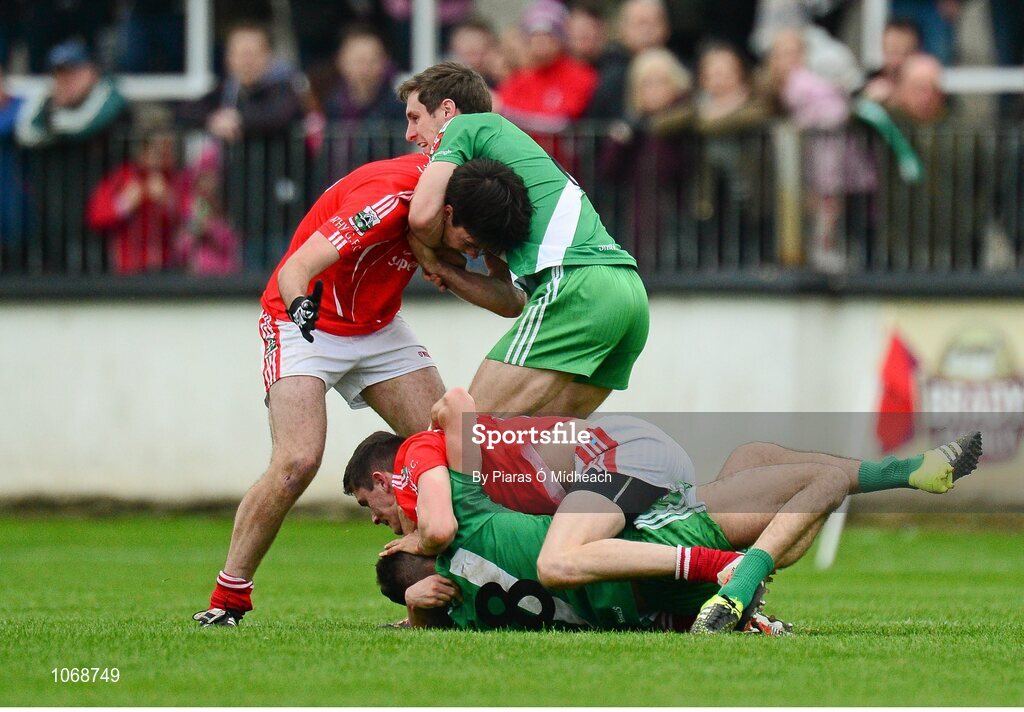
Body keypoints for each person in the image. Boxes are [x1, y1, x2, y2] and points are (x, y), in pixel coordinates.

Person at [193, 156, 533, 627]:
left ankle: (448, 605)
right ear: (448, 214)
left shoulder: (482, 201)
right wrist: (300, 306)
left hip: (378, 327)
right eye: (469, 245)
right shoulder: (388, 200)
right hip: (303, 321)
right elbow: (297, 268)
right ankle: (226, 600)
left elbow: (511, 302)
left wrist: (444, 267)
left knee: (459, 456)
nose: (474, 254)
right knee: (297, 460)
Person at [347, 388, 983, 633]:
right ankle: (743, 580)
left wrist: (415, 534)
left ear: (386, 476)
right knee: (760, 468)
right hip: (629, 504)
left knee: (561, 558)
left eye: (369, 507)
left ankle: (733, 572)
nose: (377, 521)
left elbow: (439, 513)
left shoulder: (426, 468)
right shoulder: (451, 587)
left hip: (613, 477)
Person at [400, 62, 649, 419]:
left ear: (448, 110)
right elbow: (510, 302)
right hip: (627, 293)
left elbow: (421, 218)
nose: (410, 133)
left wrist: (423, 249)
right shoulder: (492, 186)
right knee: (541, 448)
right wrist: (444, 268)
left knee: (464, 426)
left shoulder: (465, 126)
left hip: (579, 285)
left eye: (415, 117)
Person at [375, 470, 789, 634]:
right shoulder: (464, 519)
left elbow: (426, 630)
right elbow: (455, 408)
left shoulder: (464, 617)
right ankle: (737, 588)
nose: (378, 520)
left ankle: (731, 577)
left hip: (619, 579)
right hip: (625, 540)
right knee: (774, 493)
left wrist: (414, 612)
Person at [86, 110, 185, 275]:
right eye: (154, 150)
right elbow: (96, 217)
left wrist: (168, 201)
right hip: (128, 269)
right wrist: (125, 203)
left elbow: (191, 218)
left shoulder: (176, 179)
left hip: (168, 268)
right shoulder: (123, 177)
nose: (160, 156)